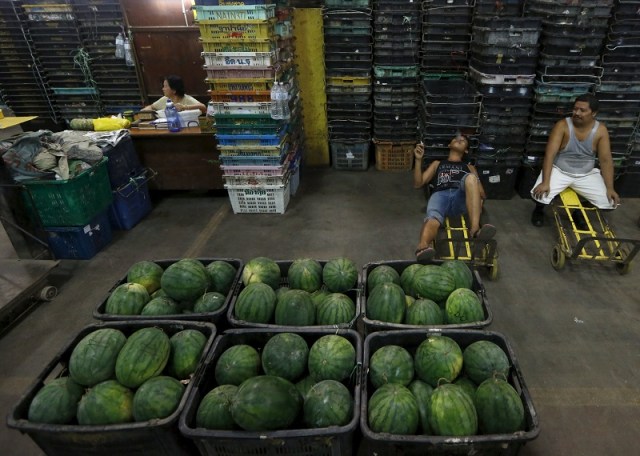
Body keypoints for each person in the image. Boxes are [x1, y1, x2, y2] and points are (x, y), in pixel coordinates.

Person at [531, 93, 620, 227]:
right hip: (560, 170)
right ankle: (539, 210)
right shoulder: (562, 125)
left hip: (586, 174)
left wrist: (610, 188)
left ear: (593, 113)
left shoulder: (601, 130)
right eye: (575, 109)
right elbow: (549, 155)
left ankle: (577, 212)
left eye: (582, 110)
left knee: (610, 203)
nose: (577, 113)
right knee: (540, 195)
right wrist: (545, 182)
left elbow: (606, 160)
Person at [414, 135, 496, 263]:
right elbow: (418, 183)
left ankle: (475, 230)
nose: (459, 139)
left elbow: (482, 194)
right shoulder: (437, 164)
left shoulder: (469, 168)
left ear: (466, 150)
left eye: (463, 140)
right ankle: (423, 247)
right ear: (449, 145)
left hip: (460, 198)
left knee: (470, 178)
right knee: (433, 217)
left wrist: (475, 179)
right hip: (440, 195)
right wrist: (418, 160)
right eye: (456, 139)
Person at [141, 75, 206, 115]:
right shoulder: (165, 99)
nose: (163, 89)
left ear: (174, 90)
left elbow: (203, 108)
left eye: (165, 86)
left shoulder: (187, 99)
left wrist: (184, 107)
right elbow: (152, 107)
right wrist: (146, 111)